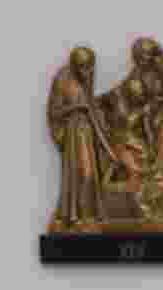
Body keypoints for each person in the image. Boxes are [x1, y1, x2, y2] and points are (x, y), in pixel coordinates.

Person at [48, 46, 115, 229]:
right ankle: (75, 216)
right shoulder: (62, 81)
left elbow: (90, 103)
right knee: (81, 174)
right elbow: (54, 111)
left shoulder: (86, 76)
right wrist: (76, 108)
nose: (88, 72)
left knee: (91, 174)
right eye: (83, 67)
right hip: (73, 135)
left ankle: (90, 215)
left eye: (90, 67)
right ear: (74, 65)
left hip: (87, 131)